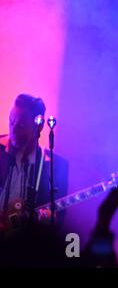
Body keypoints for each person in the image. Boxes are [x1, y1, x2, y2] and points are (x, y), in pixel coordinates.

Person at [0, 94, 68, 236]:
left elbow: (59, 220)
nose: (14, 130)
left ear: (39, 126)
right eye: (11, 122)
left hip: (24, 250)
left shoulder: (56, 167)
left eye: (22, 125)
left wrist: (51, 219)